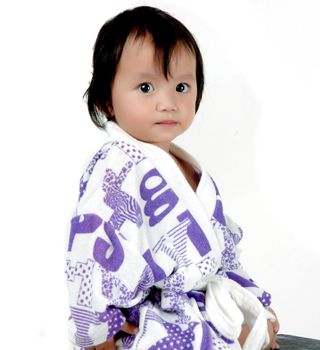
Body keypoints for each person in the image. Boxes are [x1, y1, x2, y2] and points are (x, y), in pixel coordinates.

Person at [65, 6, 279, 350]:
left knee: (258, 330)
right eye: (146, 86)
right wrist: (100, 332)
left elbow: (224, 253)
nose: (168, 102)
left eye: (181, 86)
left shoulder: (187, 167)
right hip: (146, 316)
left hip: (198, 304)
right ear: (107, 100)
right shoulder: (116, 166)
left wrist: (253, 298)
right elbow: (91, 252)